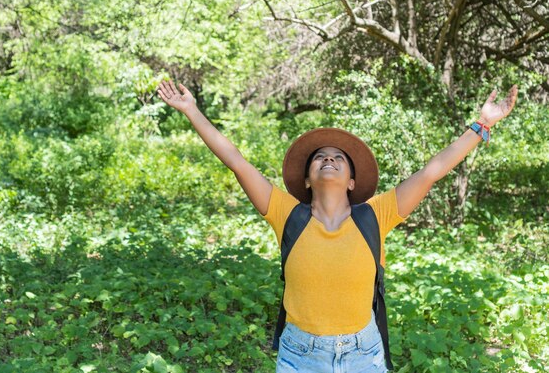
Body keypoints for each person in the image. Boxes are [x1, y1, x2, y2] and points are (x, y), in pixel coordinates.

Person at [157, 80, 518, 373]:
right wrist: (192, 110)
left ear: (350, 182)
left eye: (337, 158)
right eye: (319, 157)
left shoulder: (377, 214)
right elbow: (235, 160)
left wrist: (481, 125)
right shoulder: (286, 214)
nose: (328, 159)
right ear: (309, 179)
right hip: (300, 355)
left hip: (365, 355)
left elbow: (431, 172)